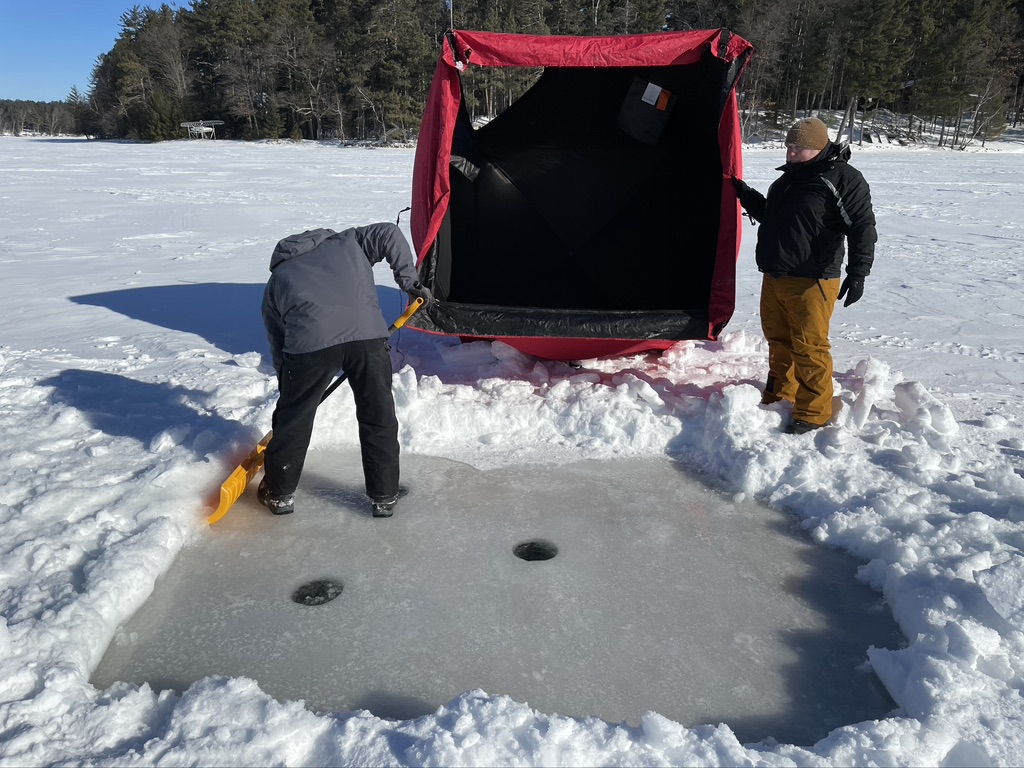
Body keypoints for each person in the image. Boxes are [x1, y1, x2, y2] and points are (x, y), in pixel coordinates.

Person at [258, 223, 431, 517]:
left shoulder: (278, 278)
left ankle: (279, 494)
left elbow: (278, 339)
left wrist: (290, 388)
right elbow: (389, 232)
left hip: (309, 347)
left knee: (294, 420)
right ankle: (384, 496)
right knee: (377, 415)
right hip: (367, 339)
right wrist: (410, 283)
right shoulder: (350, 241)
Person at [733, 116, 877, 434]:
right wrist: (745, 194)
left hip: (813, 280)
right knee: (779, 343)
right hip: (776, 276)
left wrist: (858, 272)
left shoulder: (842, 178)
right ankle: (778, 398)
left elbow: (862, 226)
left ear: (819, 147)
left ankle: (813, 414)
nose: (791, 152)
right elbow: (773, 217)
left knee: (809, 347)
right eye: (789, 146)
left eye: (799, 148)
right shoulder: (787, 180)